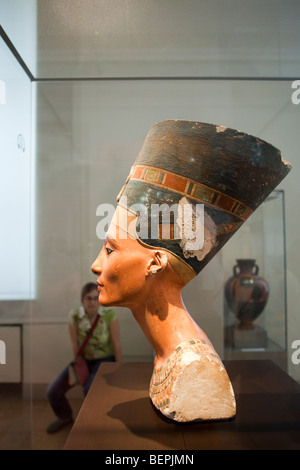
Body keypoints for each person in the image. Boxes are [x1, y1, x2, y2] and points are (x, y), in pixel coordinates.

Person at [91, 120, 290, 422]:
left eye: (110, 250)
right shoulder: (169, 356)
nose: (96, 265)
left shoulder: (195, 368)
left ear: (155, 262)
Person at [46, 282, 122, 434]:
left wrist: (119, 369)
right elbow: (75, 344)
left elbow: (116, 345)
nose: (92, 302)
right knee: (53, 391)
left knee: (90, 391)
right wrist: (80, 369)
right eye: (89, 298)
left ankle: (96, 423)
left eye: (95, 298)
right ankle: (64, 417)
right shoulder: (75, 315)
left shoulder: (109, 315)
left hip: (105, 360)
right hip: (84, 360)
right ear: (82, 300)